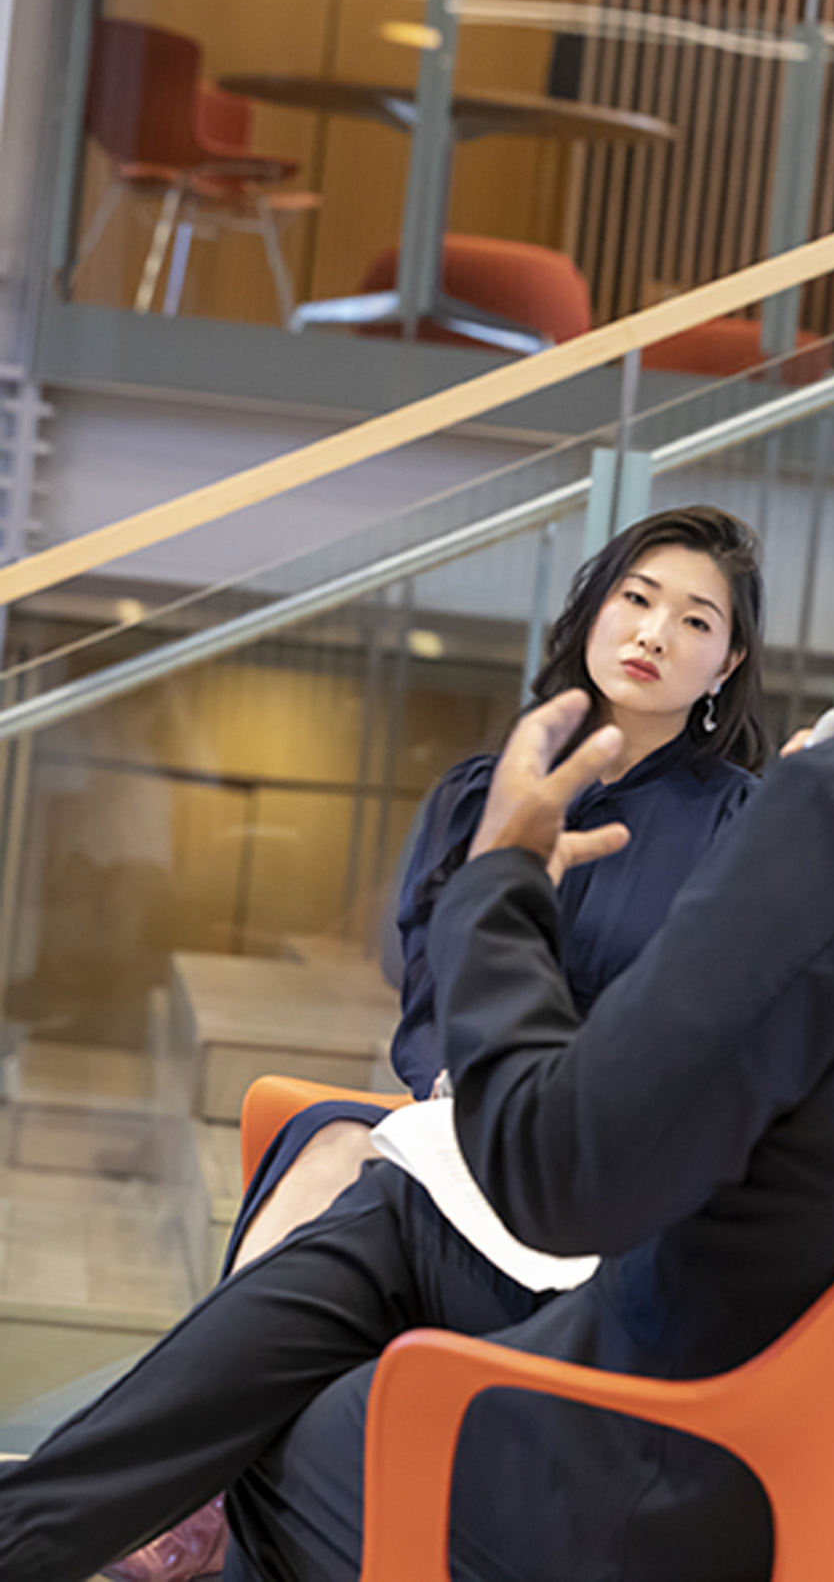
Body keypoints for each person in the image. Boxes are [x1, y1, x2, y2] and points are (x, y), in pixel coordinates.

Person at [0, 383, 834, 1582]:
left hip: (685, 1498)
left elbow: (559, 1170)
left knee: (295, 1421)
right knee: (397, 1215)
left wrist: (499, 884)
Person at [226, 504, 770, 1275]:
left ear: (728, 661)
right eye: (638, 598)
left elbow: (717, 1033)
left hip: (609, 1166)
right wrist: (466, 1086)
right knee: (331, 1149)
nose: (653, 632)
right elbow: (429, 986)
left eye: (694, 620)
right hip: (465, 1115)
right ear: (596, 608)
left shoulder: (747, 822)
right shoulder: (481, 796)